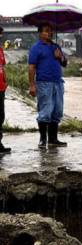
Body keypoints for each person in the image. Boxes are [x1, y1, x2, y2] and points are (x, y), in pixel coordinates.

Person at [28, 22, 68, 148]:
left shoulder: (56, 46)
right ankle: (42, 140)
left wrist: (60, 57)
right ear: (40, 33)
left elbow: (65, 64)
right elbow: (31, 67)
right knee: (45, 111)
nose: (50, 33)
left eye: (51, 31)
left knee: (57, 111)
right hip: (44, 83)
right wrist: (32, 85)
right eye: (46, 30)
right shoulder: (36, 48)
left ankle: (53, 139)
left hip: (58, 83)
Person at [0, 26, 11, 154]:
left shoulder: (1, 50)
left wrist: (5, 81)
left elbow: (3, 67)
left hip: (1, 88)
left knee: (0, 116)